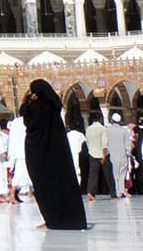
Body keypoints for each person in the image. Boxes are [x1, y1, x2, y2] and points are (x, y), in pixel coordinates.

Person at [21, 80, 87, 230]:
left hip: (41, 155)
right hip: (57, 155)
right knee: (61, 185)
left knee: (45, 187)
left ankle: (52, 220)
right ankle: (69, 220)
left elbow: (30, 123)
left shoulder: (38, 106)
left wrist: (26, 104)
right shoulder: (53, 105)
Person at [83, 113, 109, 200]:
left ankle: (90, 192)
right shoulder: (103, 129)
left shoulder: (88, 129)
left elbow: (87, 142)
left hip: (92, 154)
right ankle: (113, 193)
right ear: (101, 119)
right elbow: (104, 144)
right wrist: (104, 156)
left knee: (93, 175)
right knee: (108, 174)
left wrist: (90, 150)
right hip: (102, 154)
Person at [106, 113, 131, 197]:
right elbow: (128, 143)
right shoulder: (124, 131)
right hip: (123, 155)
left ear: (112, 120)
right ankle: (121, 190)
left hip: (112, 155)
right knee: (122, 174)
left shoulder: (107, 130)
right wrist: (128, 153)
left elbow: (106, 143)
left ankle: (116, 190)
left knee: (114, 173)